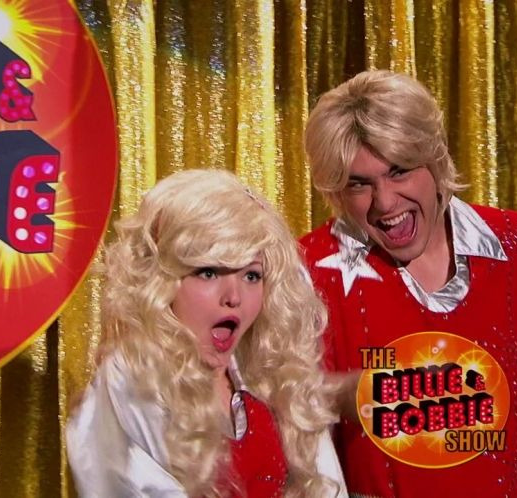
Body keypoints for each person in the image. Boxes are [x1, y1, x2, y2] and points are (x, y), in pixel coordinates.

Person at [299, 70, 517, 497]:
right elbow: (269, 416)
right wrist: (345, 393)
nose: (385, 202)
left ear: (435, 160)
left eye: (400, 171)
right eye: (359, 183)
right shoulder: (307, 270)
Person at [67, 169, 348, 497]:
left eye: (251, 276)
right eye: (209, 272)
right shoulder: (131, 381)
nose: (234, 296)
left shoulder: (271, 376)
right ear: (162, 281)